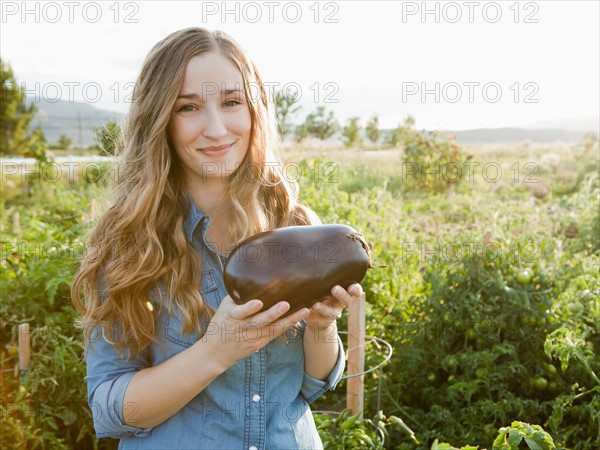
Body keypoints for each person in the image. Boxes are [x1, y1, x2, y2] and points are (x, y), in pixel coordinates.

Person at [71, 27, 364, 449]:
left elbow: (311, 387)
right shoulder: (128, 243)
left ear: (254, 110)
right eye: (188, 107)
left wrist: (321, 325)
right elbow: (110, 408)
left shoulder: (292, 223)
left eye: (231, 102)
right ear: (160, 121)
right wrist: (215, 352)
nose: (216, 128)